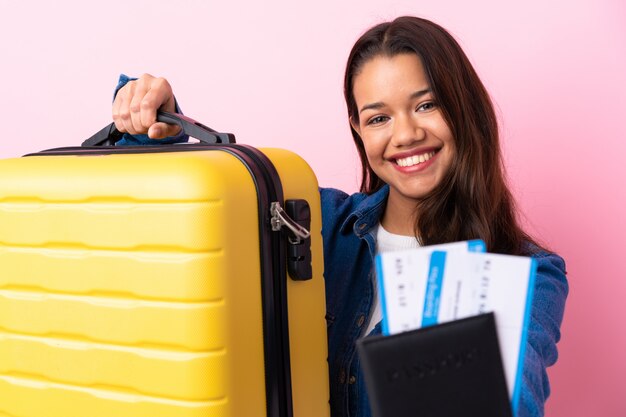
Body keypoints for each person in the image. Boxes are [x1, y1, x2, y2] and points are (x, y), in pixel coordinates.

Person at [110, 16, 568, 417]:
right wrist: (152, 126)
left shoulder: (526, 271)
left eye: (426, 105)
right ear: (357, 128)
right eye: (378, 118)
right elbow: (186, 224)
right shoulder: (310, 221)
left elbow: (517, 398)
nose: (406, 134)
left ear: (464, 109)